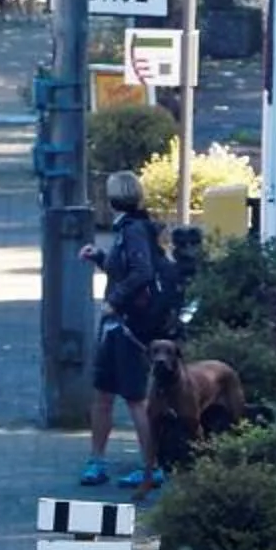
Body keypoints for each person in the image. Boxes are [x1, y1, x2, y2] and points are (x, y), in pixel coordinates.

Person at [76, 170, 164, 490]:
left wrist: (114, 300)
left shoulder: (134, 230)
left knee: (134, 399)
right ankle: (97, 460)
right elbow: (126, 268)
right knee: (103, 395)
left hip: (128, 327)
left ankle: (150, 467)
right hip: (115, 327)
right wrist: (99, 256)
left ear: (114, 199)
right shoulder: (128, 228)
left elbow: (142, 272)